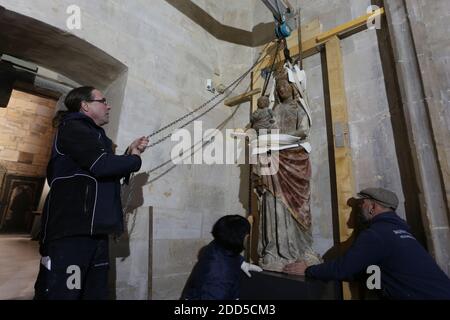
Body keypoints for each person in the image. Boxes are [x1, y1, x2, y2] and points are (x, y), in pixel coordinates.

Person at [34, 86, 149, 300]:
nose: (109, 105)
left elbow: (99, 171)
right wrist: (134, 160)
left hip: (94, 230)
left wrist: (129, 152)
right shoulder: (73, 128)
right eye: (103, 101)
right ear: (85, 105)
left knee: (94, 292)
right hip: (72, 231)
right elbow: (101, 165)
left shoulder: (94, 135)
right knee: (65, 293)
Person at [283, 187, 450, 300]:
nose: (356, 213)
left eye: (361, 204)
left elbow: (343, 268)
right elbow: (365, 270)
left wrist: (308, 270)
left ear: (373, 207)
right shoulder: (402, 232)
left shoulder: (377, 234)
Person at [254, 72, 320, 272]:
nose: (282, 89)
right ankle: (273, 249)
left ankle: (302, 250)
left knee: (298, 206)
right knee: (272, 202)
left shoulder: (298, 107)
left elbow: (303, 132)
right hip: (273, 159)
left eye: (286, 85)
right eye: (279, 86)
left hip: (294, 160)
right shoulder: (275, 109)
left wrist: (278, 139)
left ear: (293, 87)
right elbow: (262, 129)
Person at [181, 215, 262, 300]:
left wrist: (242, 263)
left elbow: (226, 252)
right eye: (246, 235)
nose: (248, 237)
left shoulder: (218, 244)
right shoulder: (220, 276)